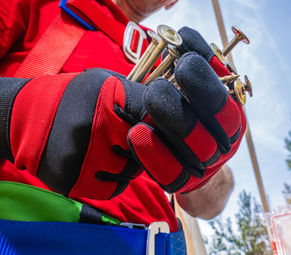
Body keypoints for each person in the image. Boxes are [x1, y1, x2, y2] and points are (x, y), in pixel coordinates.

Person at [0, 0, 246, 253]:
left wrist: (206, 165)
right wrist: (14, 112)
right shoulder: (42, 6)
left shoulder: (172, 58)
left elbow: (211, 207)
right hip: (22, 235)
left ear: (172, 3)